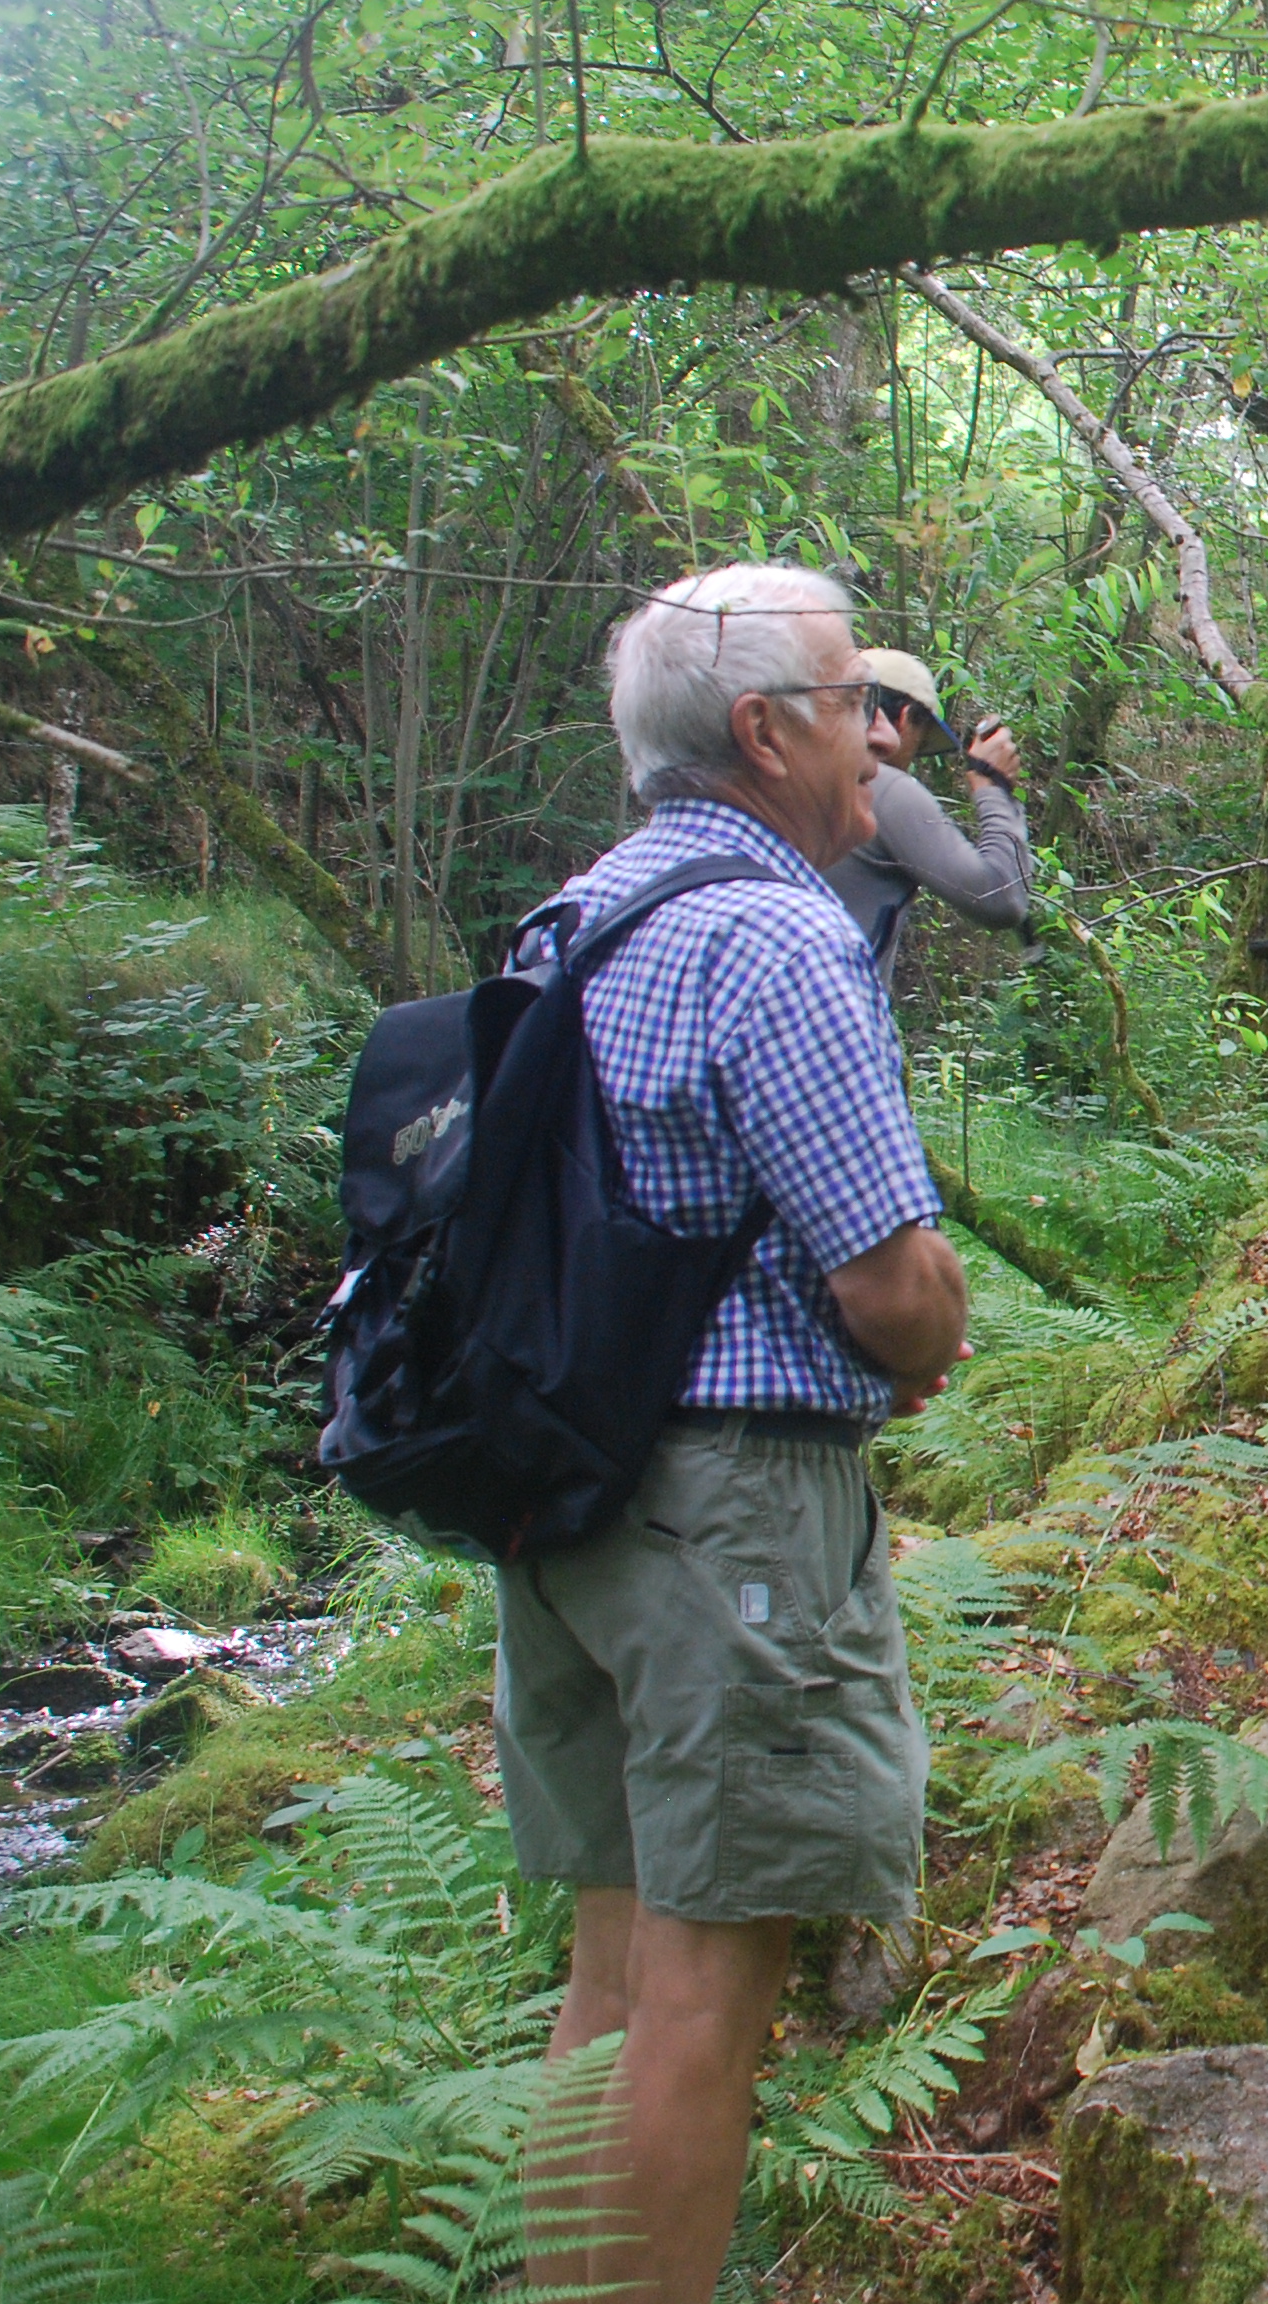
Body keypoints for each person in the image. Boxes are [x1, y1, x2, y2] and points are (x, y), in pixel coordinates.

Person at [502, 563, 971, 2304]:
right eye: (853, 699)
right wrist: (931, 1339)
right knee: (705, 1997)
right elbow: (889, 1282)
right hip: (733, 1527)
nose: (878, 731)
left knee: (609, 1975)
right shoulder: (779, 934)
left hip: (567, 1502)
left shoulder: (572, 917)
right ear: (765, 731)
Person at [825, 646, 1032, 985]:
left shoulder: (796, 776)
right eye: (919, 745)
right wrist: (991, 786)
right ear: (905, 719)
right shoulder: (886, 787)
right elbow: (1000, 897)